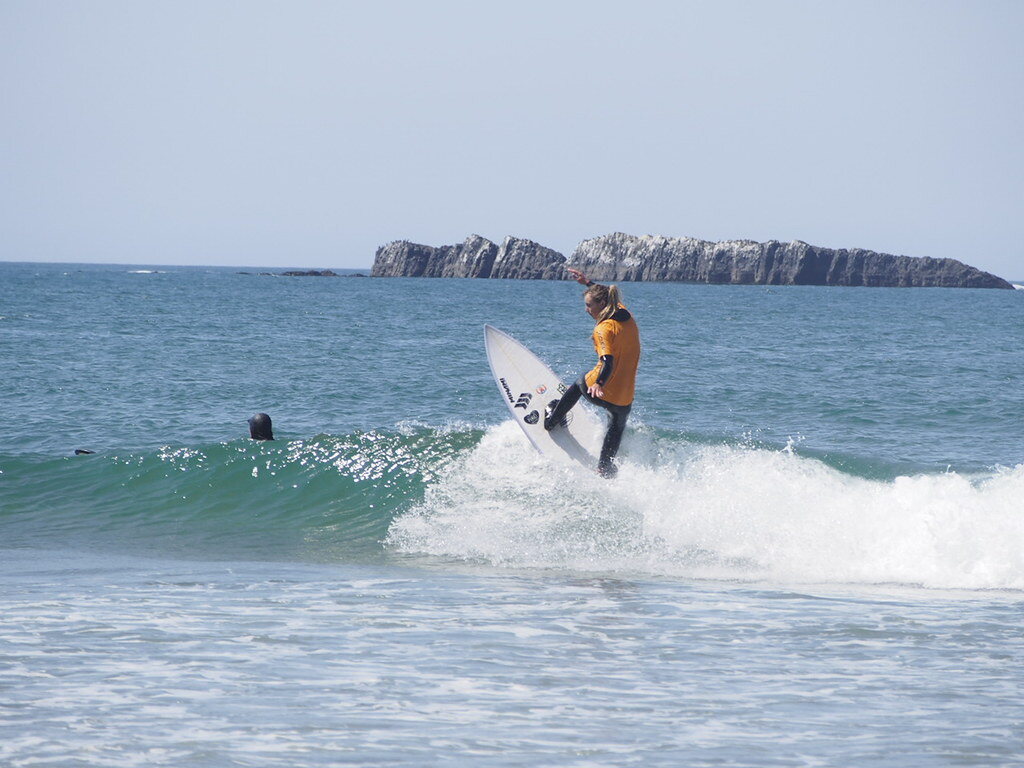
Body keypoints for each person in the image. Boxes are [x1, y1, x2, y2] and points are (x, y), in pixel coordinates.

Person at [543, 267, 640, 478]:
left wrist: (598, 384)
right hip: (625, 395)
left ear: (602, 305)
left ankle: (552, 420)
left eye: (589, 305)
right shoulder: (626, 314)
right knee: (617, 423)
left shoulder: (603, 329)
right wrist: (587, 283)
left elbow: (608, 361)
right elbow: (604, 295)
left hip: (604, 387)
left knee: (580, 382)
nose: (586, 310)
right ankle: (605, 467)